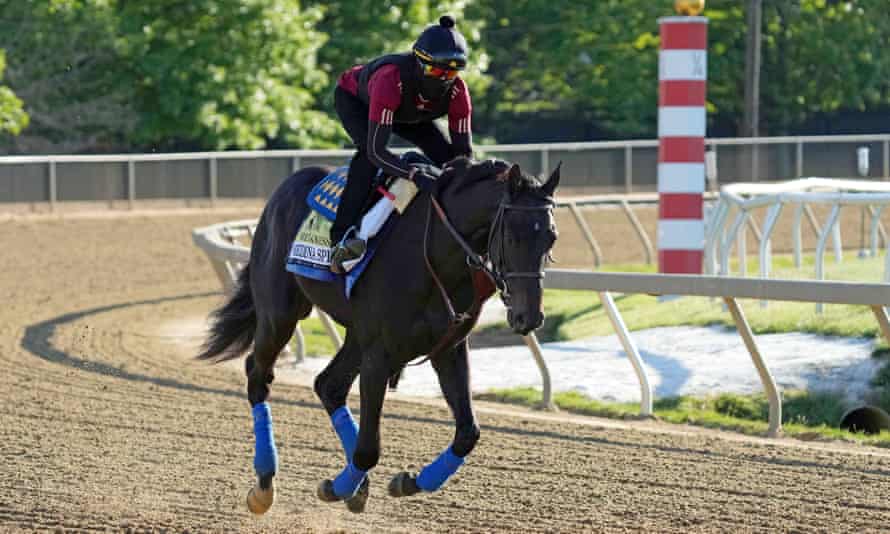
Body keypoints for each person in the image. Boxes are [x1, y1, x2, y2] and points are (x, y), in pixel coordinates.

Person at [329, 15, 474, 274]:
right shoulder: (390, 78)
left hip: (409, 112)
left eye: (451, 72)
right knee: (367, 156)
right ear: (418, 63)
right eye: (436, 70)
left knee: (449, 160)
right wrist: (413, 175)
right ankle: (341, 238)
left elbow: (463, 157)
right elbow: (377, 151)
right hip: (359, 101)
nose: (443, 78)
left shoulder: (458, 92)